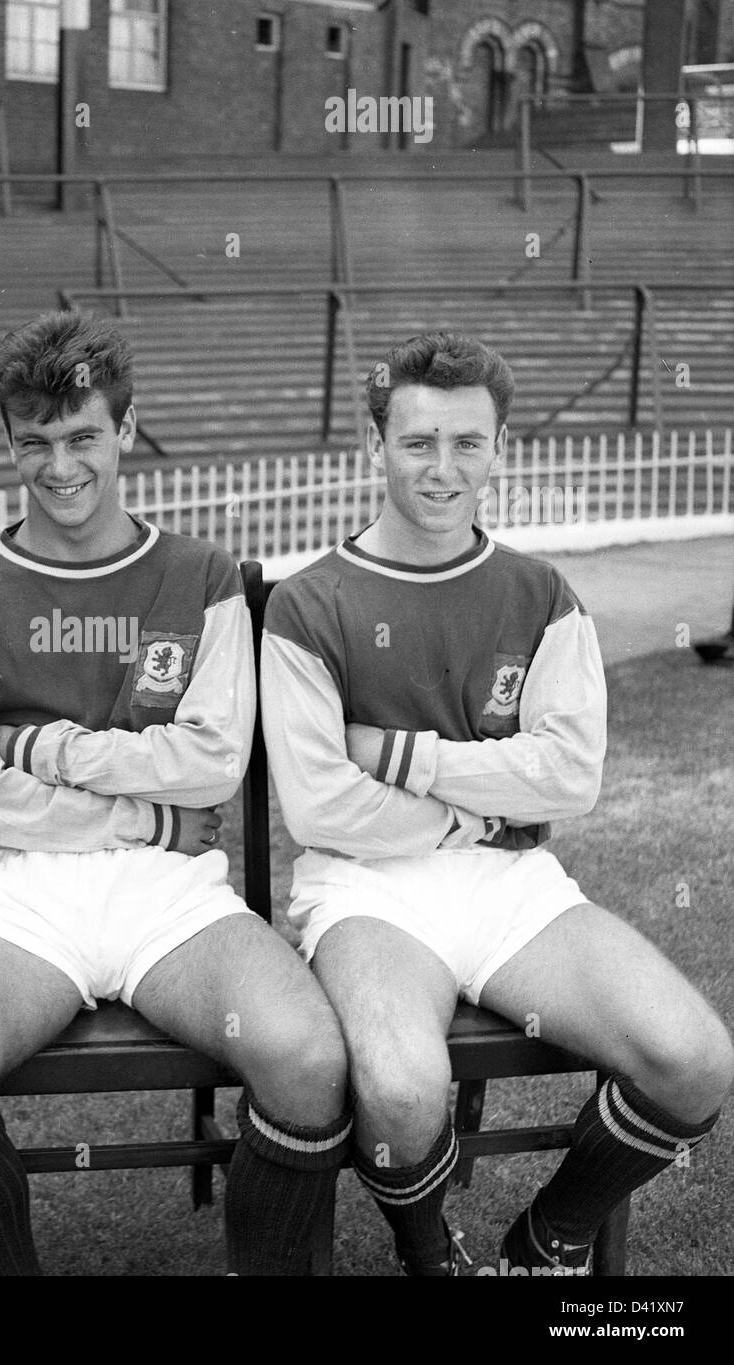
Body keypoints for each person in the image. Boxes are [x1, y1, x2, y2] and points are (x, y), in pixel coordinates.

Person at [260, 331, 733, 1275]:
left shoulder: (541, 592)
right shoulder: (308, 604)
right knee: (400, 1086)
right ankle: (433, 1252)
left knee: (696, 1058)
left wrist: (399, 754)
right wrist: (480, 800)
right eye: (419, 442)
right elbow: (321, 811)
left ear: (499, 450)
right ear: (375, 445)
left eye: (467, 443)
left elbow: (570, 777)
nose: (444, 468)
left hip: (514, 882)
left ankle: (546, 1240)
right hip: (366, 892)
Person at [0, 310, 351, 1275]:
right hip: (20, 891)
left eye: (83, 437)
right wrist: (143, 804)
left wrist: (45, 746)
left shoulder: (203, 576)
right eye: (36, 444)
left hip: (171, 891)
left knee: (307, 1057)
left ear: (126, 428)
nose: (61, 467)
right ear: (12, 444)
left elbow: (215, 761)